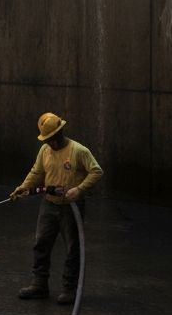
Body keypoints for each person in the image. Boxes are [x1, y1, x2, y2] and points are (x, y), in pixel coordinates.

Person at [9, 113, 103, 304]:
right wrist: (23, 187)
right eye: (47, 139)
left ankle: (69, 289)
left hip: (71, 207)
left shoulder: (78, 151)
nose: (50, 142)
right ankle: (39, 284)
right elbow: (37, 171)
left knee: (72, 248)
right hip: (49, 204)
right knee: (41, 243)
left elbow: (96, 171)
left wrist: (79, 190)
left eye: (52, 138)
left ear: (60, 133)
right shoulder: (45, 151)